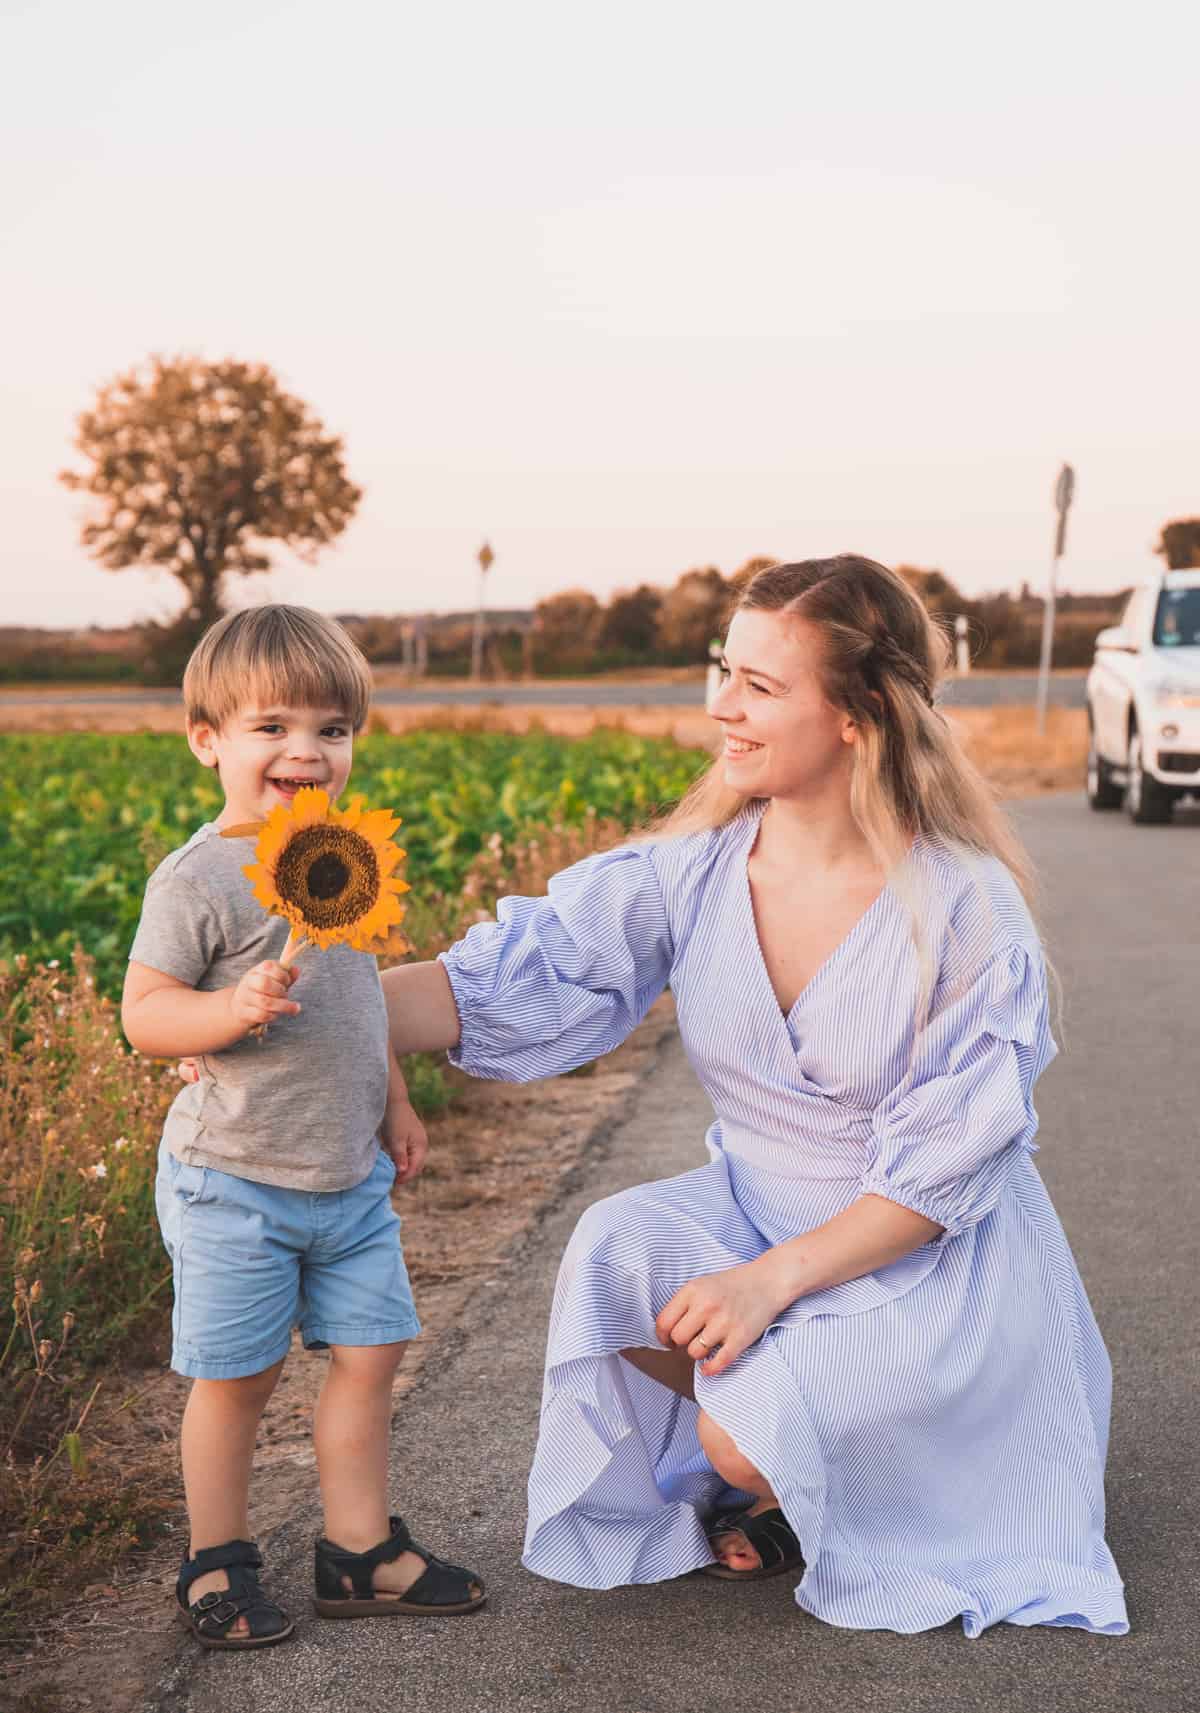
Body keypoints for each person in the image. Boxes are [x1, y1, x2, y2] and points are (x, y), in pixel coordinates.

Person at [380, 556, 1128, 1637]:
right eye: (724, 670)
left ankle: (797, 1461)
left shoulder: (964, 908)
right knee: (611, 1251)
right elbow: (490, 982)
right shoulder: (688, 873)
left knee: (735, 1440)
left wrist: (765, 1287)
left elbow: (942, 1182)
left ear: (860, 715)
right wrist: (302, 1011)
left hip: (928, 1265)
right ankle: (795, 1444)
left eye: (761, 687)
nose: (721, 705)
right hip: (759, 1211)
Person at [124, 605, 484, 1651]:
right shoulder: (196, 879)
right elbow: (144, 1014)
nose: (306, 749)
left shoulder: (338, 857)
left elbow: (358, 995)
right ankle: (217, 1560)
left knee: (374, 1353)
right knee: (238, 1378)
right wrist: (225, 1011)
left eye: (332, 728)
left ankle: (358, 1550)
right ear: (209, 743)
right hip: (233, 1179)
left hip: (347, 1176)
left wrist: (396, 1100)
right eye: (272, 726)